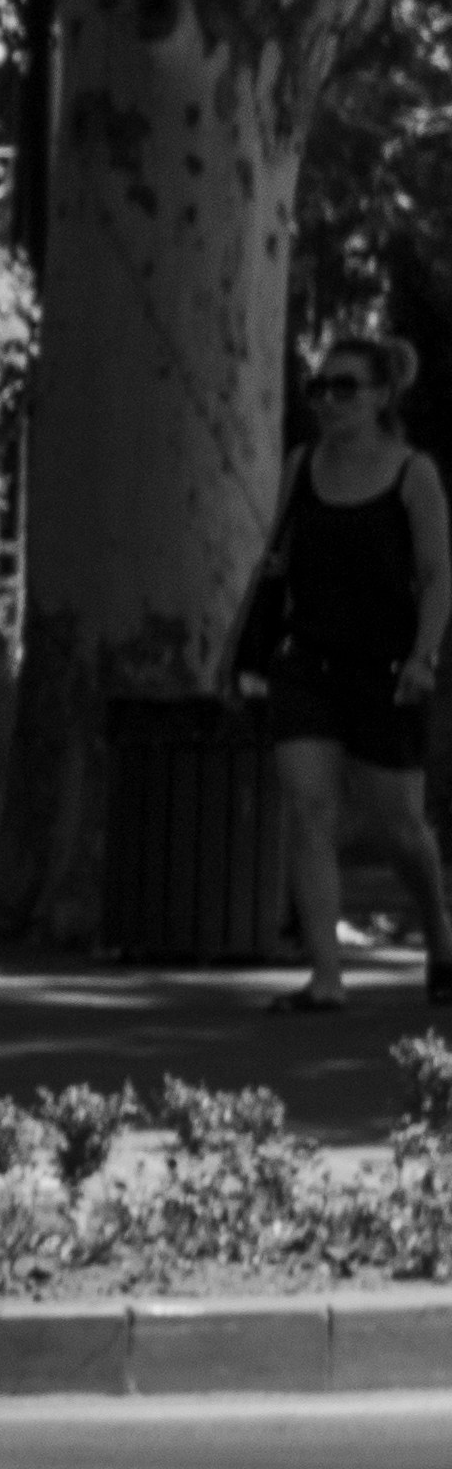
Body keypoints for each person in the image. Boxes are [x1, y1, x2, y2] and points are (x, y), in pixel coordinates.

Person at [235, 333, 452, 1005]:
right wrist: (243, 650)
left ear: (382, 395)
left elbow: (438, 576)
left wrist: (424, 656)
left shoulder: (414, 474)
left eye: (344, 387)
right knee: (308, 809)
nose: (328, 401)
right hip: (307, 664)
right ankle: (326, 977)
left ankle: (441, 941)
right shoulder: (302, 465)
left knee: (400, 830)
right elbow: (275, 559)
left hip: (386, 670)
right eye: (320, 388)